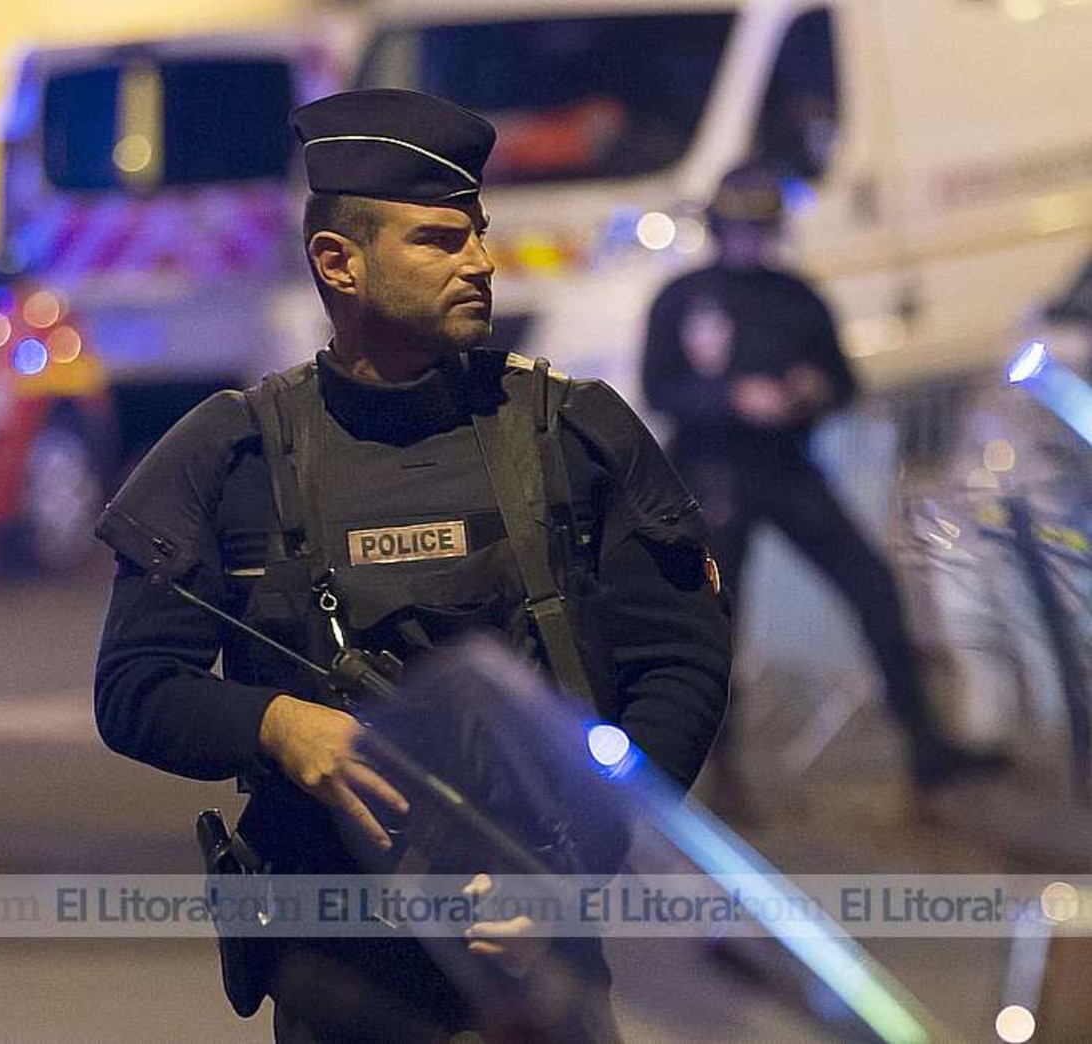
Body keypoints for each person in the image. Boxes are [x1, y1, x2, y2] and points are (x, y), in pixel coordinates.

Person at [95, 88, 731, 1041]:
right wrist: (274, 724)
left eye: (476, 233)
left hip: (537, 954)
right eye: (439, 240)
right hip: (339, 968)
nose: (479, 262)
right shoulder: (232, 455)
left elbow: (678, 666)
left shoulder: (573, 432)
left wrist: (567, 872)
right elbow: (134, 686)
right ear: (336, 262)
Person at [640, 161, 1004, 791]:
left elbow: (842, 381)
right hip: (712, 474)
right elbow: (659, 387)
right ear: (719, 228)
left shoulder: (797, 296)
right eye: (739, 229)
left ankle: (926, 746)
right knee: (717, 623)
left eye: (761, 229)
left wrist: (814, 391)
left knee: (875, 588)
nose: (751, 242)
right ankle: (718, 773)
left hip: (786, 468)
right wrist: (732, 399)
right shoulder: (684, 297)